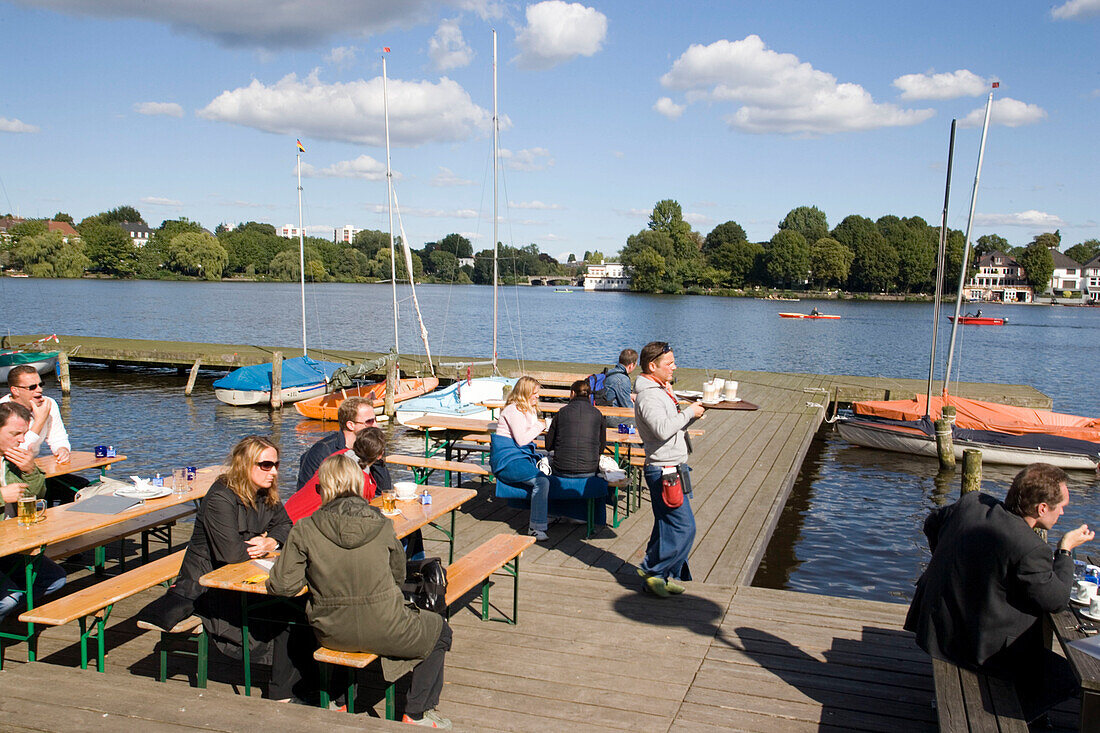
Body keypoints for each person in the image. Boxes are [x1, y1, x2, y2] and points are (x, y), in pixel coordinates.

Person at [267, 454, 453, 729]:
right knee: (440, 631)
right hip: (386, 627)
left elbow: (283, 586)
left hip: (330, 631)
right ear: (359, 485)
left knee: (344, 616)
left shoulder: (305, 528)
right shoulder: (382, 524)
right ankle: (417, 712)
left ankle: (340, 699)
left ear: (322, 489)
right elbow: (397, 576)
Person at [904, 463, 1093, 721]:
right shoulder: (1029, 547)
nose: (1062, 512)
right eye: (1061, 507)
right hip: (976, 648)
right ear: (1041, 509)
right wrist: (1065, 550)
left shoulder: (972, 503)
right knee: (1072, 677)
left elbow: (932, 524)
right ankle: (1005, 718)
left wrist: (957, 568)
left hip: (937, 627)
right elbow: (1057, 600)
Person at [169, 436, 306, 701]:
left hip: (246, 577)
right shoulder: (221, 497)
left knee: (304, 606)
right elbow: (230, 553)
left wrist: (270, 540)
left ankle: (302, 685)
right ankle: (283, 694)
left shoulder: (265, 494)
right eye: (266, 465)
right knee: (288, 615)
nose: (274, 471)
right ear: (245, 464)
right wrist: (264, 549)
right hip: (207, 587)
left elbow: (287, 525)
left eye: (276, 464)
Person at [633, 341, 706, 597]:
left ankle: (659, 577)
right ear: (652, 366)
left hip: (673, 466)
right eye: (669, 363)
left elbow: (669, 427)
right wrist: (688, 414)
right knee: (685, 527)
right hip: (664, 470)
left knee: (665, 525)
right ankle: (653, 571)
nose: (674, 367)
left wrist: (690, 416)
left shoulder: (660, 390)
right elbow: (662, 430)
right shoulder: (650, 395)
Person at [0, 402, 66, 621]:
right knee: (8, 599)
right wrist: (2, 496)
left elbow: (38, 495)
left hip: (11, 543)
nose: (21, 439)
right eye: (15, 433)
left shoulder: (15, 457)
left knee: (54, 579)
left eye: (24, 433)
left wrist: (30, 471)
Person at [0, 364, 87, 503]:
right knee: (44, 494)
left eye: (41, 384)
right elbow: (18, 451)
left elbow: (58, 437)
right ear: (15, 390)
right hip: (10, 471)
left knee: (80, 486)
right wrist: (40, 420)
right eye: (32, 387)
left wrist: (62, 449)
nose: (39, 390)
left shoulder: (48, 403)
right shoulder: (4, 411)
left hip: (31, 468)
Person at [490, 376, 550, 542]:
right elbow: (522, 439)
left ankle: (550, 512)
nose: (538, 396)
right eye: (535, 393)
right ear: (525, 393)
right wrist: (542, 424)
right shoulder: (513, 410)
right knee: (542, 481)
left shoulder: (527, 409)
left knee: (554, 464)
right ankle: (536, 527)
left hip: (520, 456)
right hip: (507, 460)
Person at [285, 426, 384, 522]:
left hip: (288, 512)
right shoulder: (361, 481)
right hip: (300, 524)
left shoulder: (336, 457)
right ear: (380, 455)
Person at [296, 396, 391, 496]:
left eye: (375, 420)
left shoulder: (369, 445)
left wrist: (375, 455)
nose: (375, 426)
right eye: (369, 421)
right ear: (351, 425)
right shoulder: (323, 451)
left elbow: (384, 490)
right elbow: (306, 492)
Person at [545, 379, 606, 478]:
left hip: (562, 468)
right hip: (589, 469)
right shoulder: (597, 414)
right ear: (589, 396)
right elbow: (601, 447)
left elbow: (548, 445)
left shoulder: (561, 412)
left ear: (572, 393)